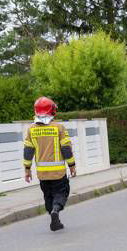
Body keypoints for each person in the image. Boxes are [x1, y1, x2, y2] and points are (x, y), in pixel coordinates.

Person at [23, 97, 76, 231]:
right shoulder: (59, 128)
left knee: (48, 196)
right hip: (58, 173)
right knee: (61, 193)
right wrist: (72, 166)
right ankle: (56, 210)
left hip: (42, 174)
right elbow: (66, 149)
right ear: (52, 111)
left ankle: (54, 220)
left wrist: (27, 169)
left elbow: (28, 151)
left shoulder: (31, 129)